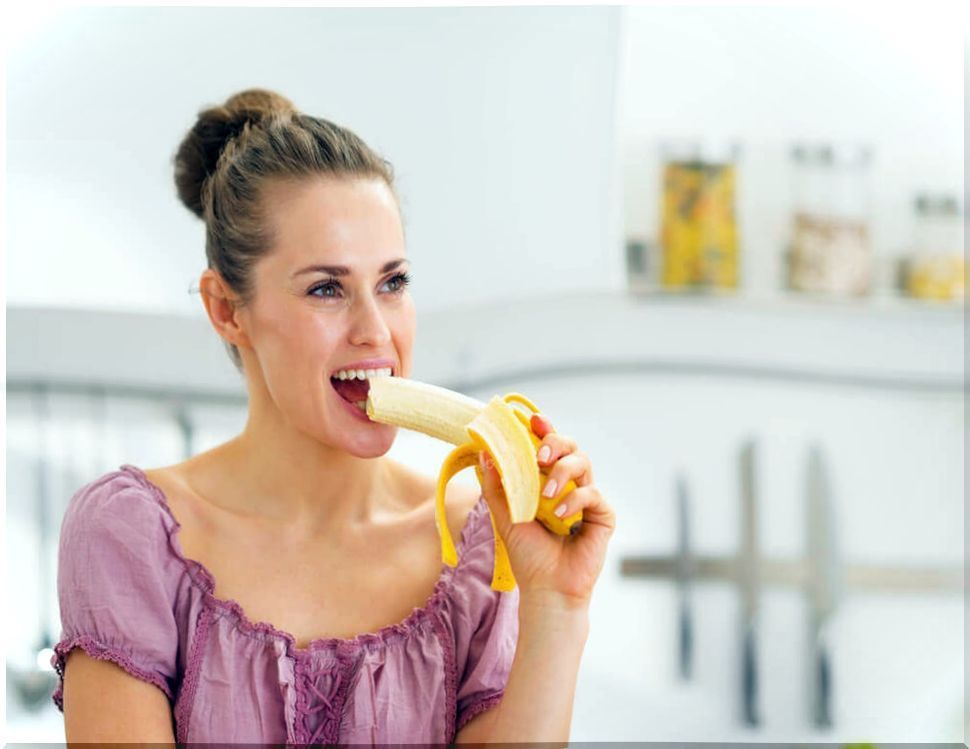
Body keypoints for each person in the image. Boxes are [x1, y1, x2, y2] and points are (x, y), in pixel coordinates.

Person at [50, 88, 616, 744]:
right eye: (326, 288)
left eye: (393, 283)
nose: (376, 332)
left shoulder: (480, 543)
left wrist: (560, 605)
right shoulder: (132, 535)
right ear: (227, 309)